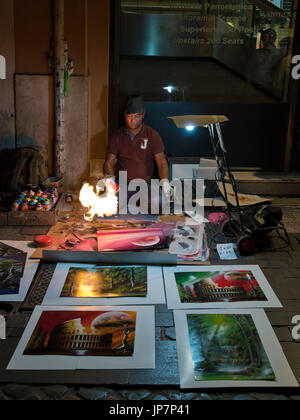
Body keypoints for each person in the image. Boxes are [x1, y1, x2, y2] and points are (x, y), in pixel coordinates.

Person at [103, 96, 170, 208]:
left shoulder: (152, 135)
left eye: (136, 116)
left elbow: (162, 163)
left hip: (145, 184)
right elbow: (108, 162)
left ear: (143, 115)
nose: (132, 120)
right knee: (110, 205)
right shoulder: (117, 136)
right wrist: (110, 179)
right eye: (129, 116)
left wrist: (165, 182)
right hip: (123, 184)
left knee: (159, 203)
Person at [248, 28, 283, 93]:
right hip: (265, 85)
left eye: (264, 37)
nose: (263, 40)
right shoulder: (279, 54)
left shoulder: (278, 55)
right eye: (263, 37)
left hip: (264, 86)